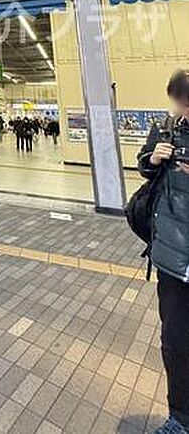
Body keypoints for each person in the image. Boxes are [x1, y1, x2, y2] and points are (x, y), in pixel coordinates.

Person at [138, 70, 189, 434]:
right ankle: (180, 416)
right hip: (172, 259)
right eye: (180, 102)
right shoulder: (166, 128)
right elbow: (143, 166)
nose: (183, 109)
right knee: (175, 341)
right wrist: (153, 160)